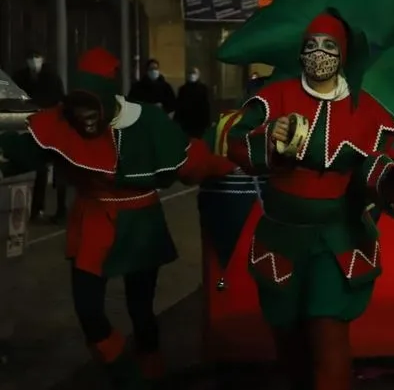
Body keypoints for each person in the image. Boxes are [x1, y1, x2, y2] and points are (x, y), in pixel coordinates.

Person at [0, 47, 234, 389]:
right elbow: (27, 150)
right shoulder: (65, 122)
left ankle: (150, 372)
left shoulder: (147, 122)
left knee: (142, 312)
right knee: (89, 311)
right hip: (93, 218)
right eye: (77, 105)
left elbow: (190, 163)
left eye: (90, 105)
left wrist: (232, 165)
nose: (84, 116)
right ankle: (126, 376)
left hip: (140, 220)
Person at [225, 11, 394, 390]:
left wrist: (381, 178)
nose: (318, 53)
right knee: (288, 338)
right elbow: (236, 142)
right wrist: (268, 137)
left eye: (328, 46)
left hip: (338, 240)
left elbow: (380, 160)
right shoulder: (274, 97)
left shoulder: (366, 108)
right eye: (310, 46)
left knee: (328, 332)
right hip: (282, 240)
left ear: (342, 54)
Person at [12, 49, 65, 222]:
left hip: (50, 127)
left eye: (36, 58)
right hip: (31, 127)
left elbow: (57, 99)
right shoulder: (21, 77)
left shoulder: (51, 77)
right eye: (31, 58)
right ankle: (36, 209)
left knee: (55, 169)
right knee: (39, 169)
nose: (34, 62)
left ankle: (58, 210)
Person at [174, 67, 212, 138]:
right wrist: (177, 121)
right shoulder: (183, 89)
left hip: (199, 121)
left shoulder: (203, 89)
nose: (192, 75)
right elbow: (178, 106)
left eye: (194, 73)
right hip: (186, 122)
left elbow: (206, 106)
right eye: (190, 73)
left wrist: (207, 122)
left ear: (198, 75)